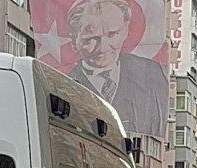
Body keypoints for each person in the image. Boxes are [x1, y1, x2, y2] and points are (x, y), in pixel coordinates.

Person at [67, 0, 168, 138]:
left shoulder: (150, 73)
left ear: (125, 31)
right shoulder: (65, 83)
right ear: (74, 40)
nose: (102, 47)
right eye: (90, 39)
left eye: (112, 34)